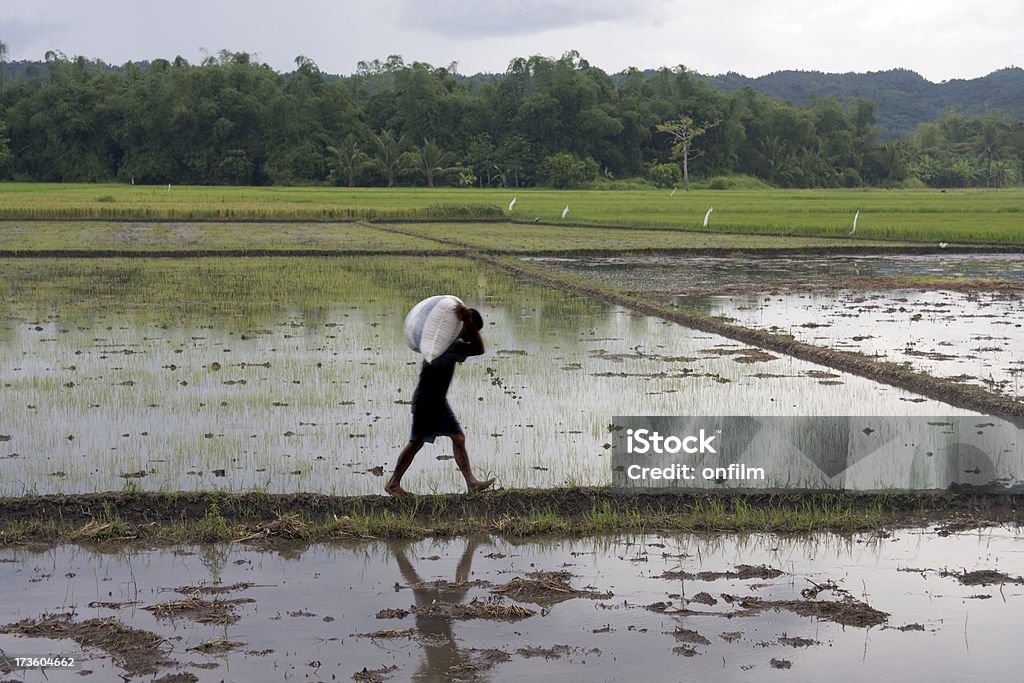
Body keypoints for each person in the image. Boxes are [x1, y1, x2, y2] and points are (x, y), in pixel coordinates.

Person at [385, 303, 495, 499]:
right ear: (465, 327)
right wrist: (467, 321)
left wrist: (468, 322)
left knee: (457, 438)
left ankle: (471, 482)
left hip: (438, 401)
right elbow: (477, 348)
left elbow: (479, 349)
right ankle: (393, 483)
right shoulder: (444, 345)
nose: (471, 336)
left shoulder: (455, 346)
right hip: (427, 401)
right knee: (416, 443)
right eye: (472, 331)